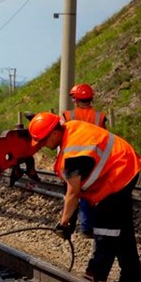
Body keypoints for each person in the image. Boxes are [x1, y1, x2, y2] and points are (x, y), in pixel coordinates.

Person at [28, 112, 141, 282]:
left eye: (43, 141)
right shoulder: (70, 133)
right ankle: (132, 276)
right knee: (122, 228)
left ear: (53, 133)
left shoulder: (74, 151)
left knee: (106, 227)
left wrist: (64, 222)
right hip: (122, 164)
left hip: (119, 172)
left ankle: (94, 274)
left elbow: (73, 193)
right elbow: (70, 190)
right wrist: (69, 222)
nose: (43, 145)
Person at [61, 83, 107, 238]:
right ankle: (87, 227)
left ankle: (71, 224)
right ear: (90, 99)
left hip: (73, 158)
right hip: (94, 158)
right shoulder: (100, 117)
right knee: (89, 191)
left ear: (75, 99)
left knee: (72, 192)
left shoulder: (68, 116)